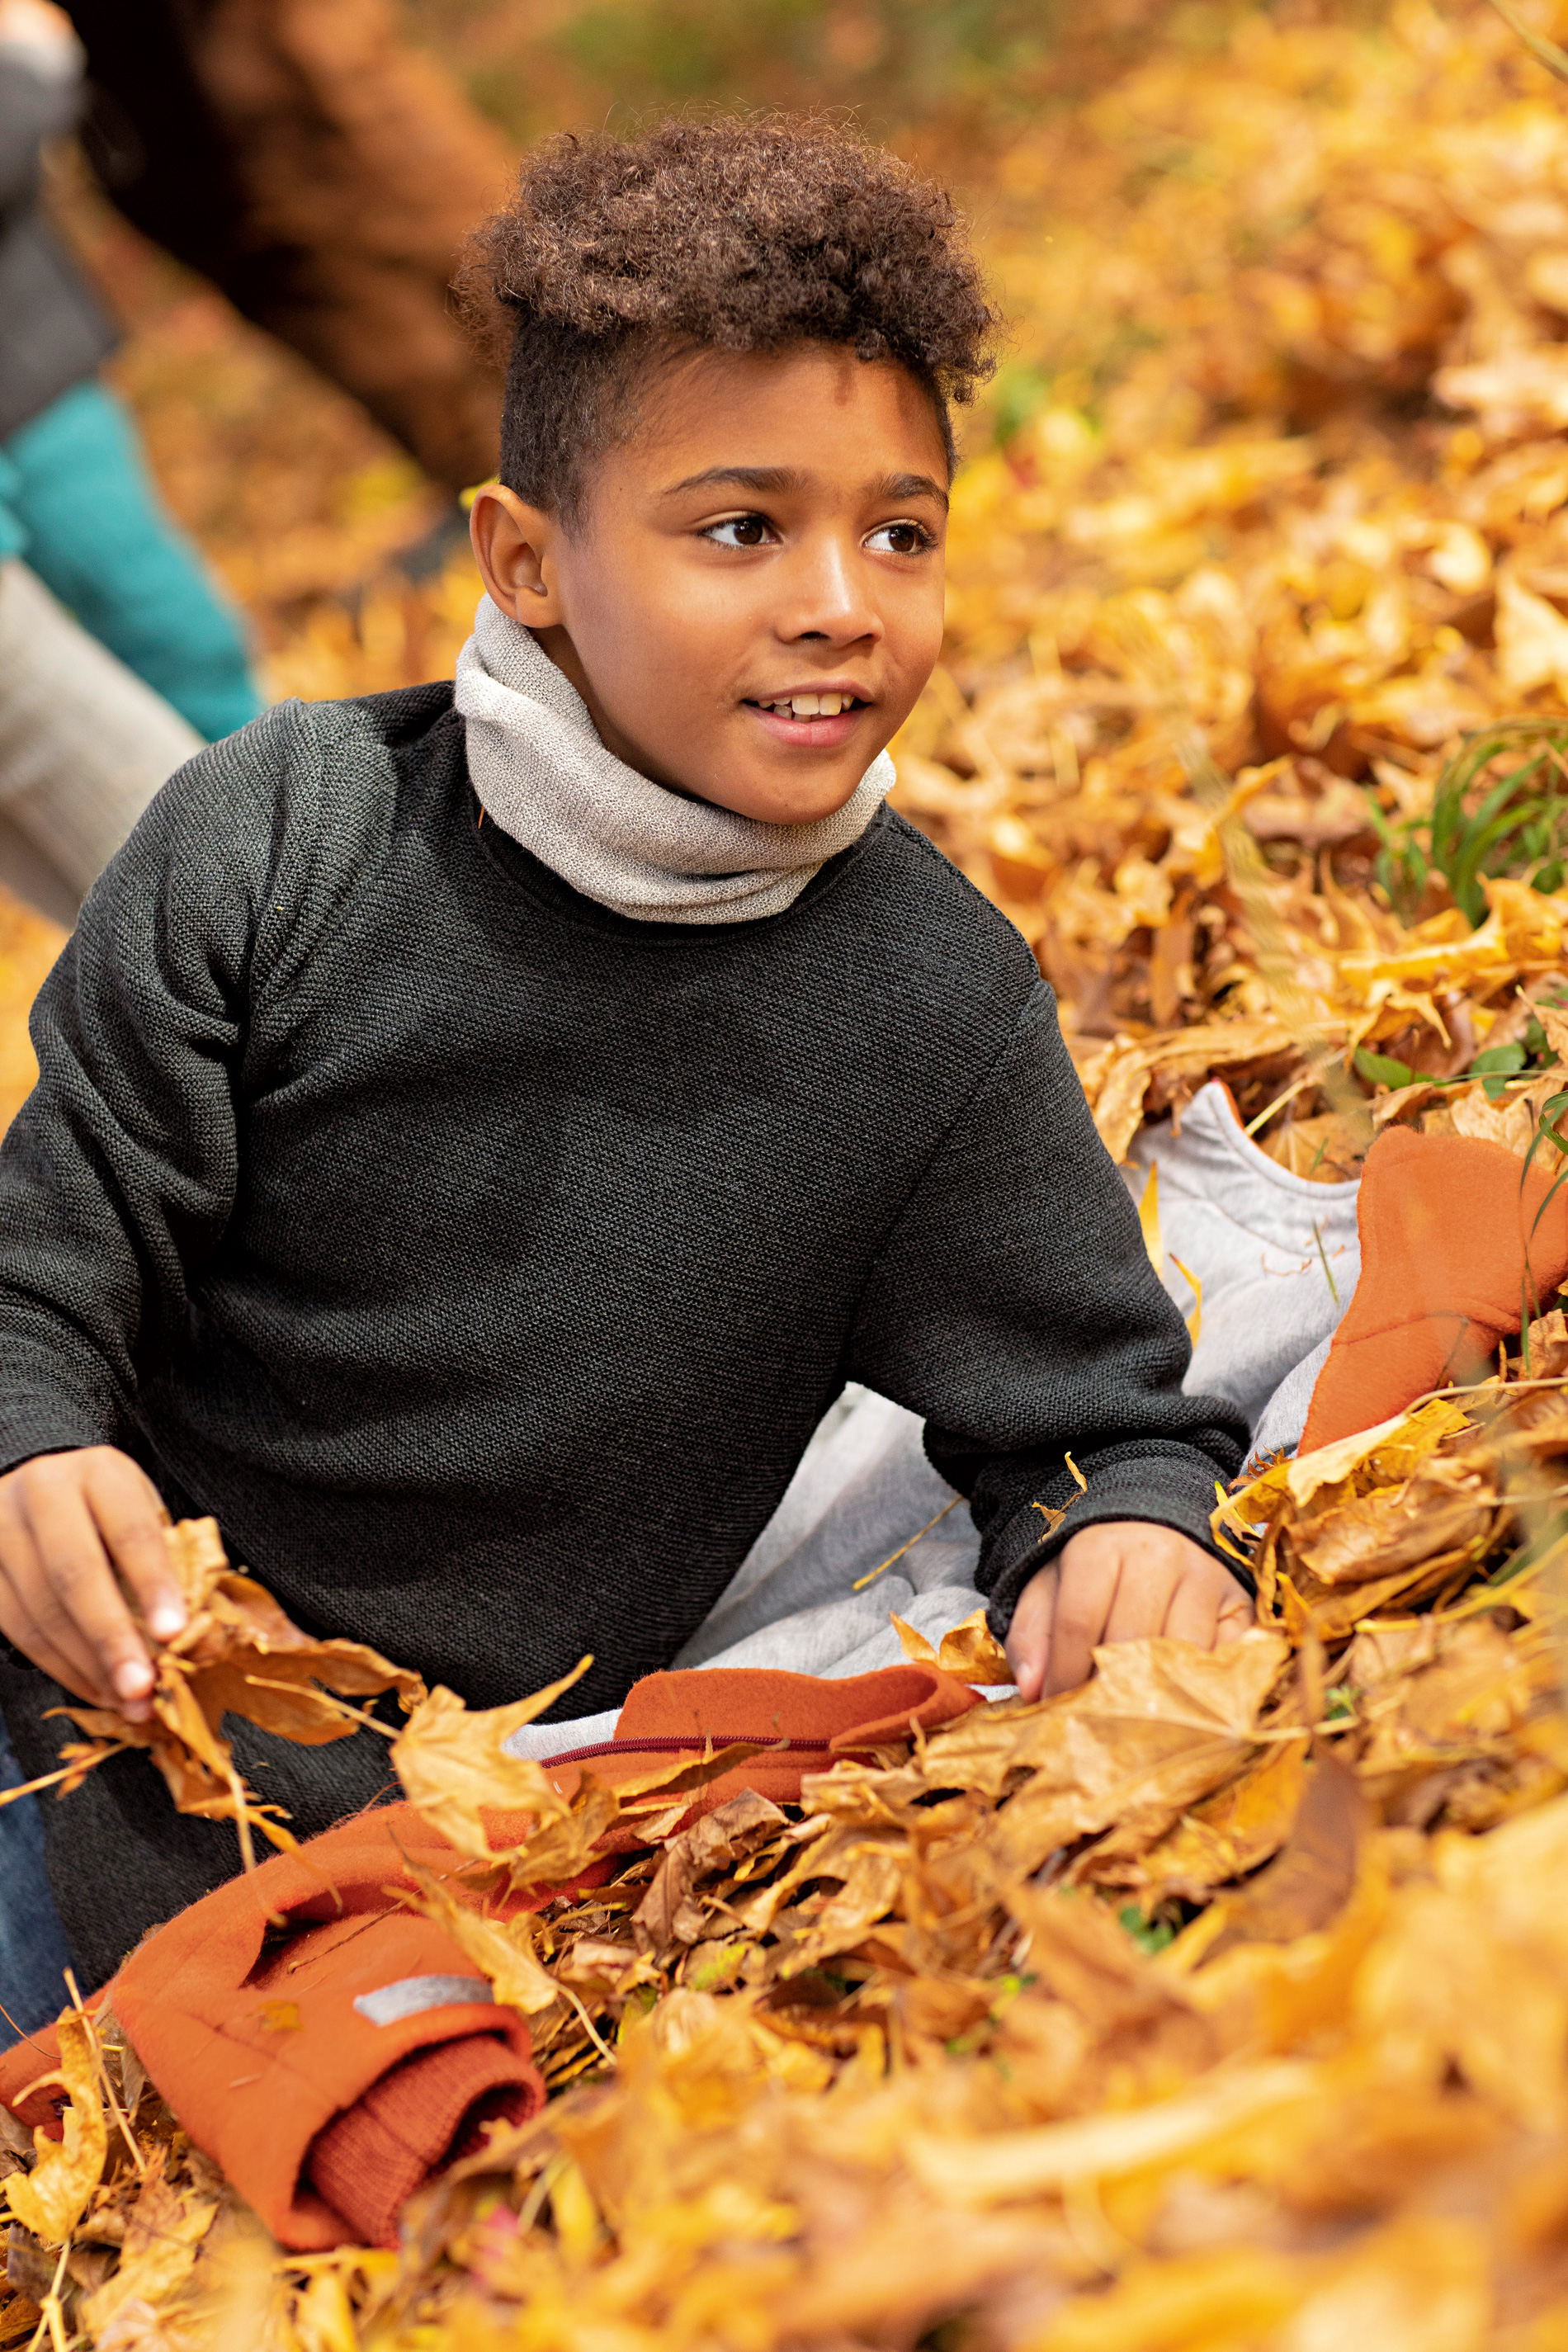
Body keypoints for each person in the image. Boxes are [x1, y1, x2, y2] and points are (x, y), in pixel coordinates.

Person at [0, 118, 1253, 1996]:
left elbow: (1084, 1415)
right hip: (72, 1683)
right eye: (740, 526)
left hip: (406, 1848)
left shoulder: (925, 1007)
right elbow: (45, 1263)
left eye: (896, 532)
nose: (839, 598)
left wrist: (1135, 1535)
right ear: (524, 561)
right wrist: (26, 1451)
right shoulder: (278, 838)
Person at [0, 0, 262, 747]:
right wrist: (28, 66)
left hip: (33, 379)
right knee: (154, 624)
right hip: (29, 394)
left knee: (163, 628)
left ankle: (275, 798)